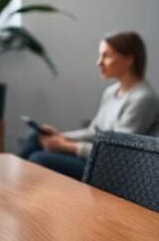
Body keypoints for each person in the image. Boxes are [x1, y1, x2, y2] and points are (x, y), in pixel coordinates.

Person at [20, 31, 159, 180]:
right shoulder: (111, 92)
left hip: (114, 169)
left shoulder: (143, 98)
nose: (99, 62)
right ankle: (11, 181)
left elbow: (119, 151)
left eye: (106, 56)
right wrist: (60, 136)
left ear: (129, 59)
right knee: (35, 136)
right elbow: (95, 131)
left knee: (38, 159)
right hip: (96, 156)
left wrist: (65, 146)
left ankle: (13, 184)